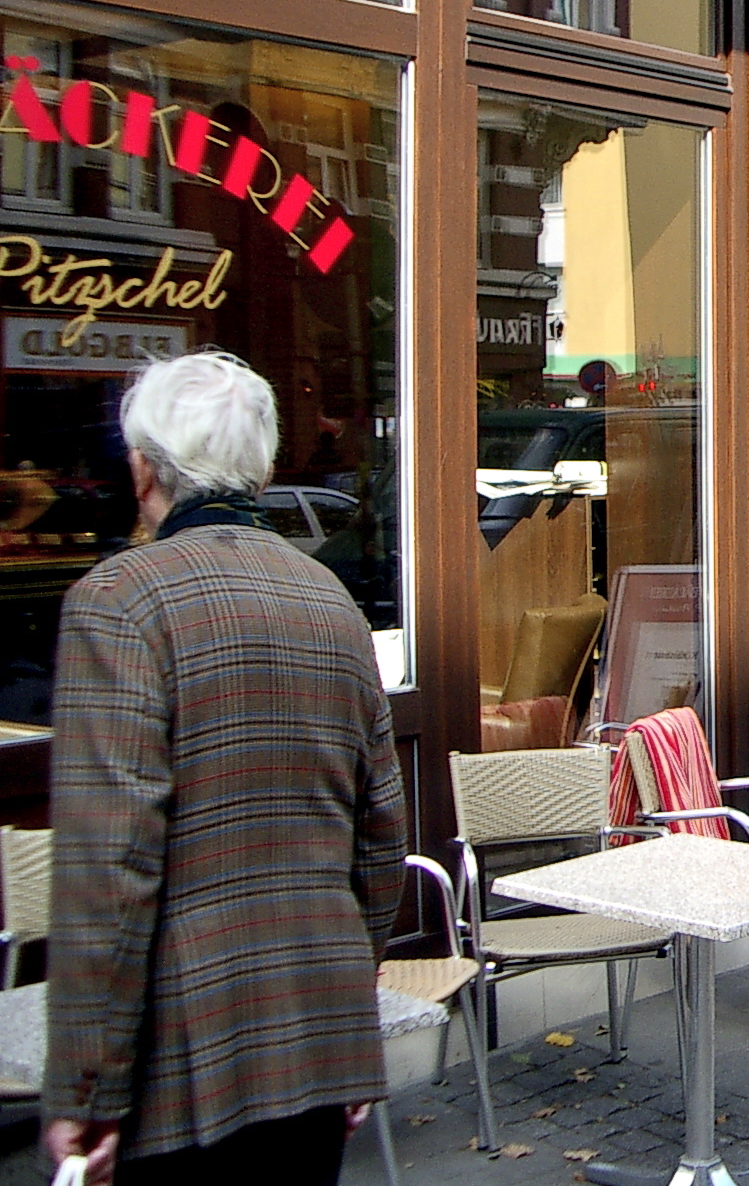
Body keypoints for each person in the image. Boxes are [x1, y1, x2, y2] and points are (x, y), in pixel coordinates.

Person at [42, 352, 407, 1186]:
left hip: (183, 1053)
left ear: (143, 469)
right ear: (264, 466)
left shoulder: (120, 599)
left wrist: (86, 1087)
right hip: (316, 1035)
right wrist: (345, 1022)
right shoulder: (330, 601)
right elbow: (382, 835)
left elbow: (112, 864)